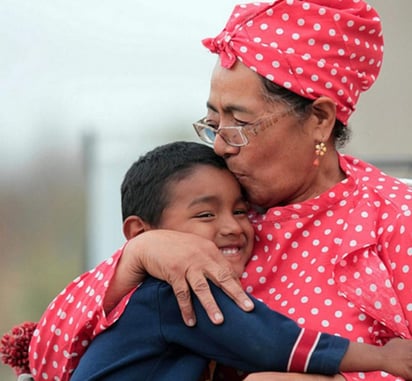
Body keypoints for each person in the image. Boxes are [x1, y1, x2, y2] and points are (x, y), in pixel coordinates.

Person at [23, 0, 412, 380]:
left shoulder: (394, 219)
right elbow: (47, 361)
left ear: (319, 119)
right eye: (213, 121)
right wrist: (134, 257)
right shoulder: (199, 216)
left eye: (239, 121)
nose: (222, 144)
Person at [5, 141, 407, 381]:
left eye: (240, 210)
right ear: (143, 235)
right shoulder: (170, 294)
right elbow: (268, 341)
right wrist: (383, 357)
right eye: (205, 215)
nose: (232, 227)